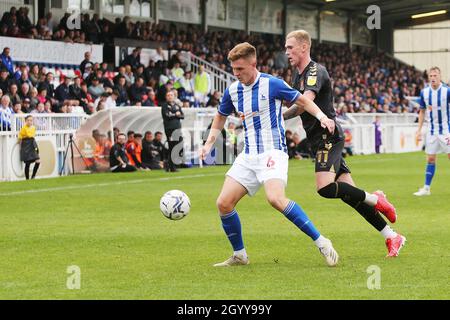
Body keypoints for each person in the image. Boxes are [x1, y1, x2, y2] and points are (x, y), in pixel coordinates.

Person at [199, 42, 339, 267]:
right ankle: (240, 255)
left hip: (273, 152)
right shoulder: (233, 90)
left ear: (253, 64)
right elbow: (220, 116)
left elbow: (302, 101)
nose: (236, 74)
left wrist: (322, 117)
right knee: (224, 203)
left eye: (240, 69)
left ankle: (322, 241)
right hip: (248, 155)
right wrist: (208, 144)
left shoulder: (272, 84)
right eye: (233, 69)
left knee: (275, 198)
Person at [283, 30, 405, 257]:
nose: (286, 52)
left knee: (325, 188)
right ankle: (392, 236)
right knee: (352, 196)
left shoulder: (314, 71)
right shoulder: (296, 76)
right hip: (317, 139)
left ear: (303, 47)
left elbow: (305, 102)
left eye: (290, 47)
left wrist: (280, 116)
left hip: (327, 136)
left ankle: (376, 198)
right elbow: (299, 105)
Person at [414, 66, 450, 196]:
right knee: (430, 159)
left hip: (446, 131)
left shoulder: (447, 91)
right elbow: (422, 112)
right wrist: (419, 130)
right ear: (428, 77)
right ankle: (426, 188)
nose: (433, 78)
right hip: (431, 131)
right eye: (431, 76)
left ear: (440, 77)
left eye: (435, 76)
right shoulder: (424, 92)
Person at [161, 90, 184, 172]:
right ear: (166, 97)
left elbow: (182, 116)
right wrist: (176, 114)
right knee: (172, 147)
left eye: (171, 95)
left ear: (174, 97)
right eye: (168, 95)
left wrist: (174, 114)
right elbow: (167, 115)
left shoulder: (177, 105)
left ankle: (170, 165)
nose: (169, 97)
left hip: (177, 129)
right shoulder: (164, 106)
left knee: (178, 146)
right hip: (170, 129)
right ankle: (171, 166)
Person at [18, 115, 40, 179]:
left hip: (32, 144)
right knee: (27, 163)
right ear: (25, 121)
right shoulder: (23, 128)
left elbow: (33, 137)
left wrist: (36, 146)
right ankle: (27, 179)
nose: (30, 122)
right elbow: (20, 137)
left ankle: (33, 176)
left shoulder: (33, 128)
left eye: (31, 120)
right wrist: (21, 147)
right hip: (26, 144)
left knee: (38, 161)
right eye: (28, 120)